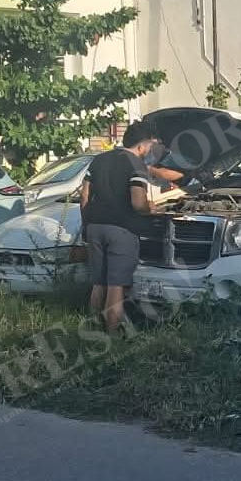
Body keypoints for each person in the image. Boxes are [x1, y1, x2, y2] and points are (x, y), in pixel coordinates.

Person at [80, 121, 163, 333]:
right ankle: (111, 334)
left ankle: (92, 327)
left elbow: (84, 197)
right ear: (143, 145)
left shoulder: (98, 160)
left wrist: (86, 225)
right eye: (150, 146)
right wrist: (149, 208)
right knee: (116, 285)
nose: (150, 151)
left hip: (95, 226)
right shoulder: (136, 165)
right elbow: (137, 203)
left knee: (99, 282)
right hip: (121, 229)